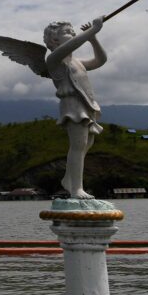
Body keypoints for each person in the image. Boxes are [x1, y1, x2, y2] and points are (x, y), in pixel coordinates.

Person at [44, 18, 106, 198]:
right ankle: (77, 189)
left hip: (87, 105)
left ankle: (69, 180)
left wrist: (93, 38)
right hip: (72, 105)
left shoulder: (77, 61)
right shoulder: (54, 59)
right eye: (67, 32)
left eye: (73, 31)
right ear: (54, 40)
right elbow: (73, 45)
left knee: (87, 143)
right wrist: (92, 31)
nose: (72, 33)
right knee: (78, 145)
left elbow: (100, 60)